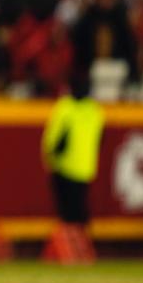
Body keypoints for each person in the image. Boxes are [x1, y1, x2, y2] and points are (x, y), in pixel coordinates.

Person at [41, 75, 105, 226]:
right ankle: (81, 243)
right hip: (86, 168)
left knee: (67, 213)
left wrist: (49, 158)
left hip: (65, 167)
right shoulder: (96, 111)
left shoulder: (65, 108)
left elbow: (54, 139)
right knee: (80, 209)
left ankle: (72, 245)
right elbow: (99, 141)